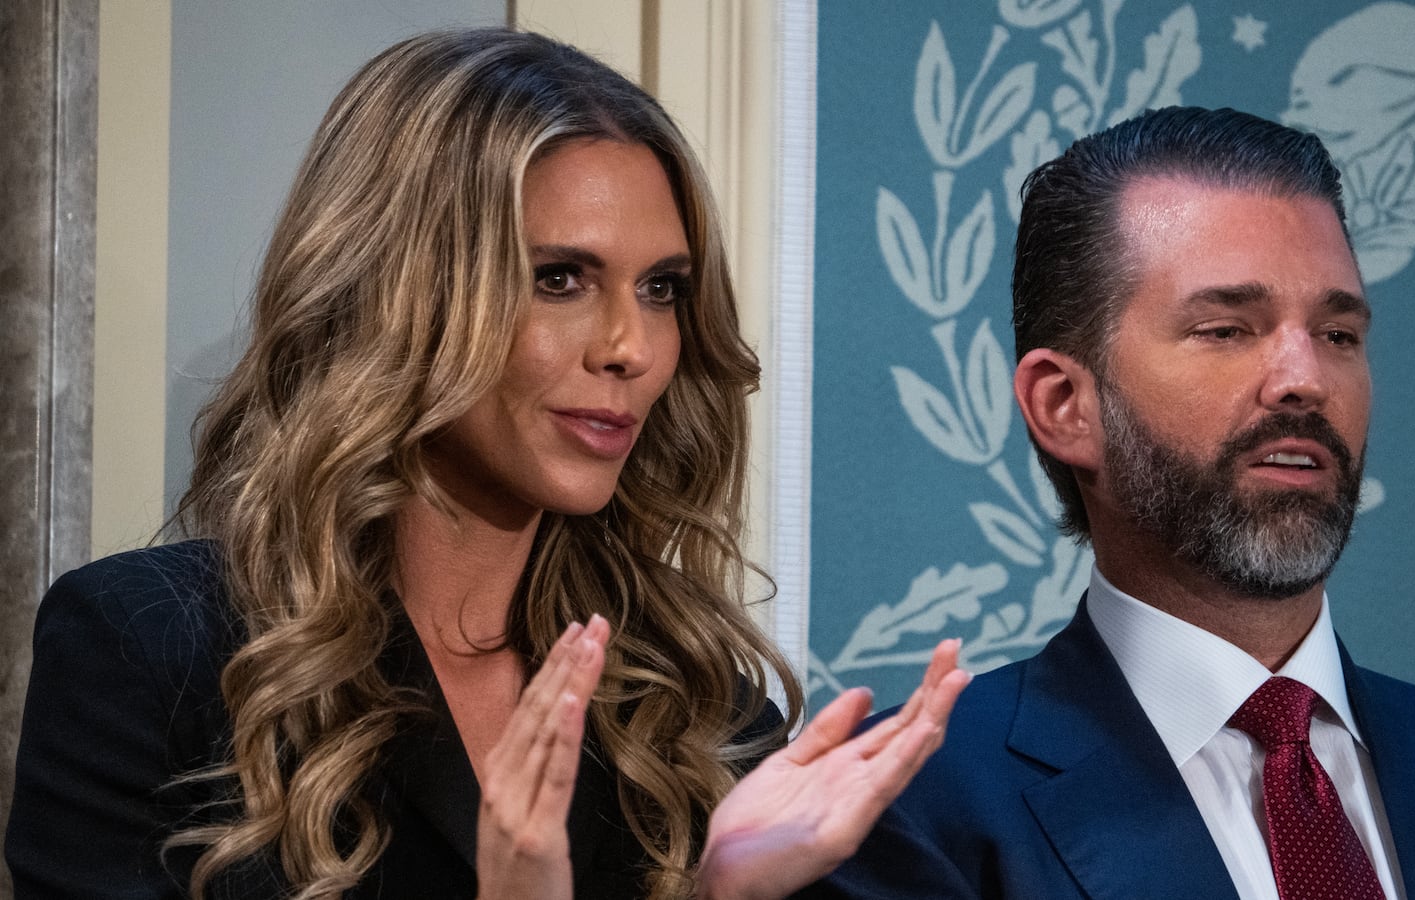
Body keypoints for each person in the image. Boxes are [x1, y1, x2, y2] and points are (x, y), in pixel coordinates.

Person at [5, 28, 969, 900]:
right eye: (560, 279)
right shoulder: (146, 653)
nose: (632, 346)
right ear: (402, 291)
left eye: (664, 289)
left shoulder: (695, 712)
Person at [800, 106, 1415, 899]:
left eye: (1338, 335)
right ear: (1064, 405)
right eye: (1225, 329)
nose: (1305, 378)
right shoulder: (898, 808)